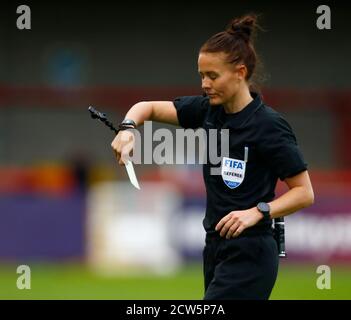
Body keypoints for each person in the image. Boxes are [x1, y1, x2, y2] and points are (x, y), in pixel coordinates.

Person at [111, 14, 314, 300]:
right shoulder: (208, 111)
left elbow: (305, 193)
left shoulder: (269, 126)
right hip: (215, 250)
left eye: (212, 76)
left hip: (251, 252)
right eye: (201, 75)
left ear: (240, 72)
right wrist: (127, 130)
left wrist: (258, 212)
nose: (205, 84)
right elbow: (146, 108)